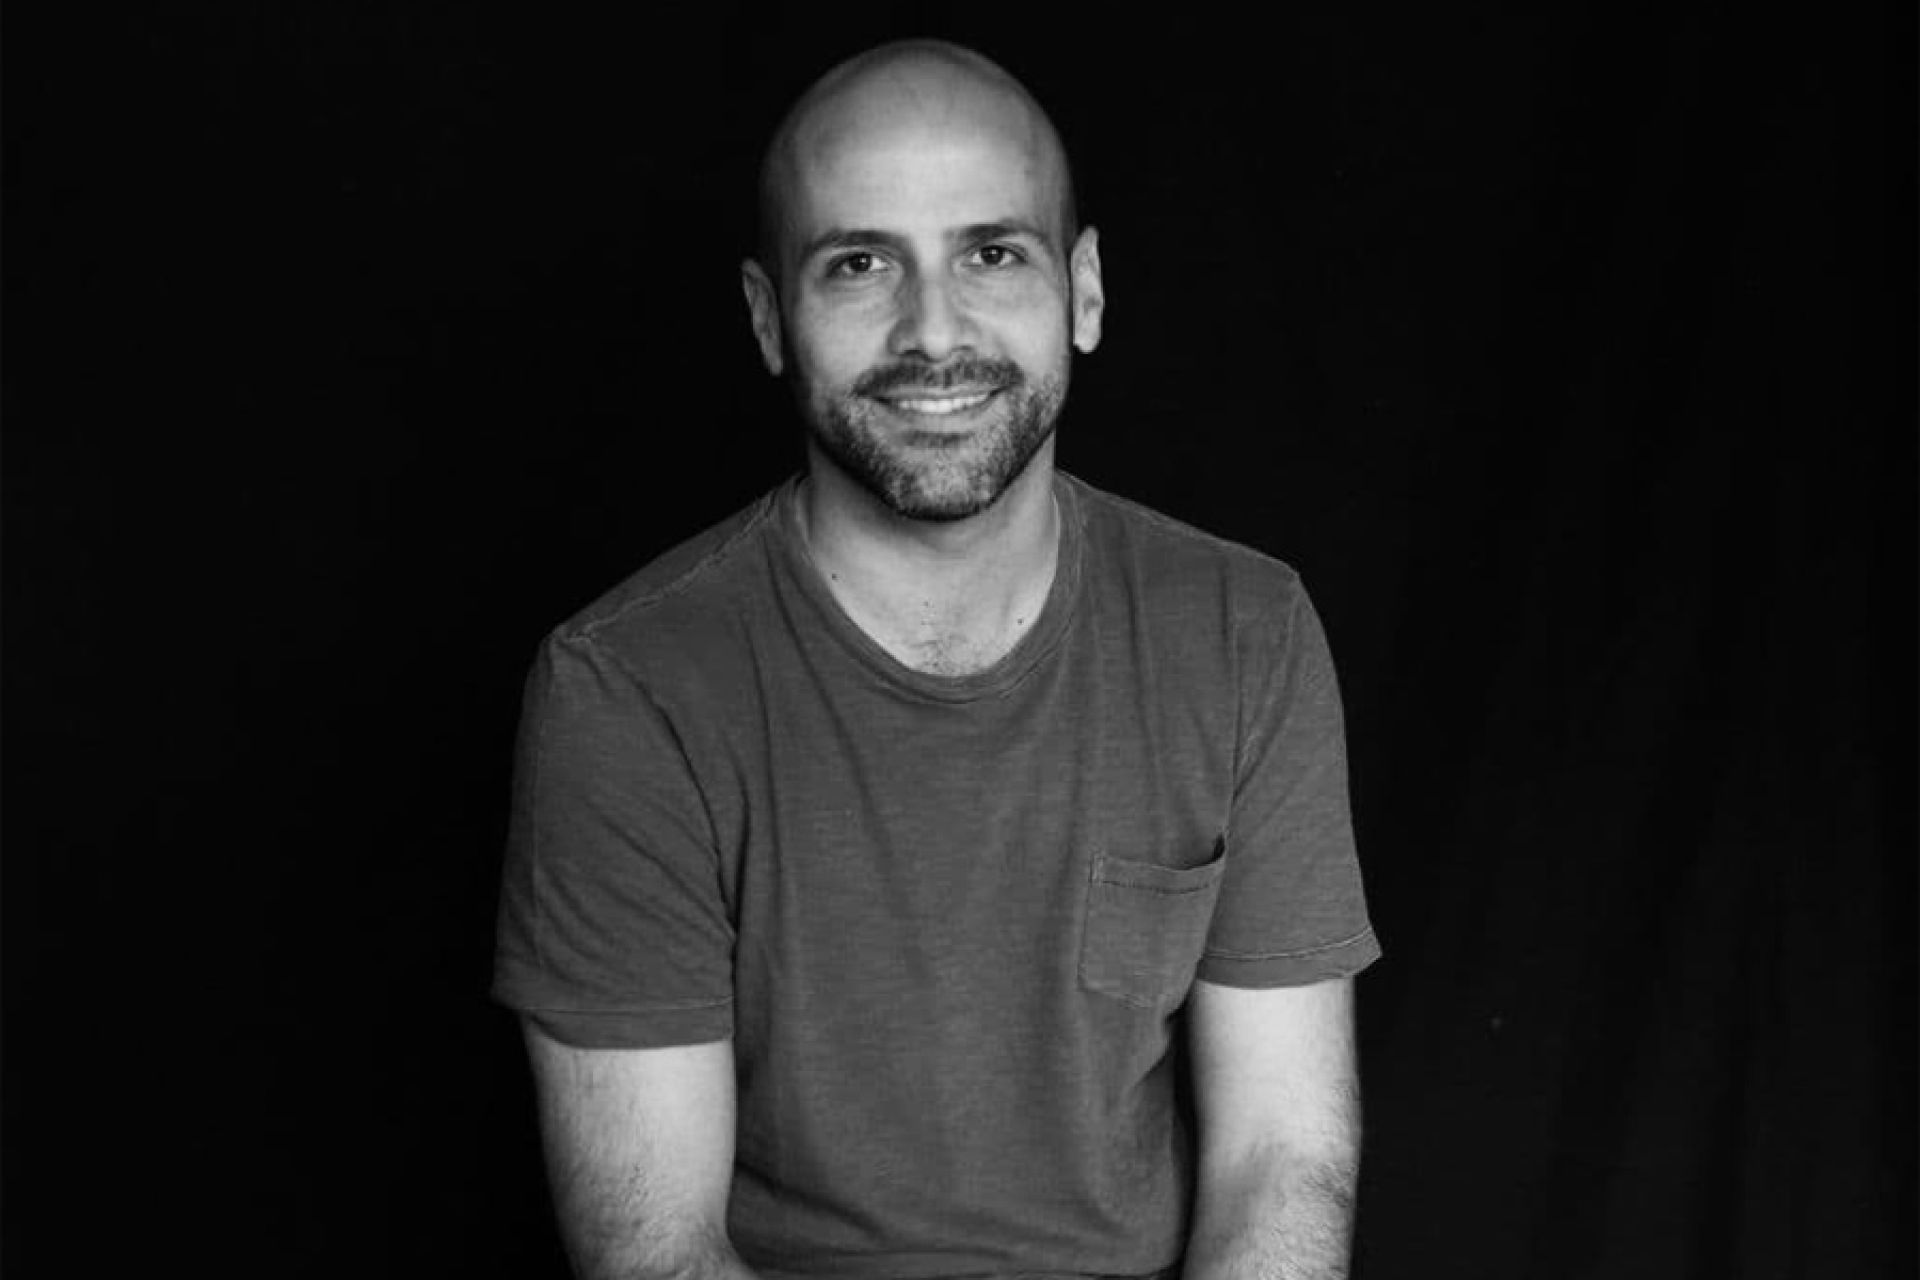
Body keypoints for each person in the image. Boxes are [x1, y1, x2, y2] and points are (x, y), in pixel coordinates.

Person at [493, 37, 1381, 1280]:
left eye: (991, 253)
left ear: (1083, 290)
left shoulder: (1243, 631)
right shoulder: (625, 688)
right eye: (860, 264)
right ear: (769, 317)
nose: (933, 330)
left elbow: (1281, 1162)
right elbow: (657, 1251)